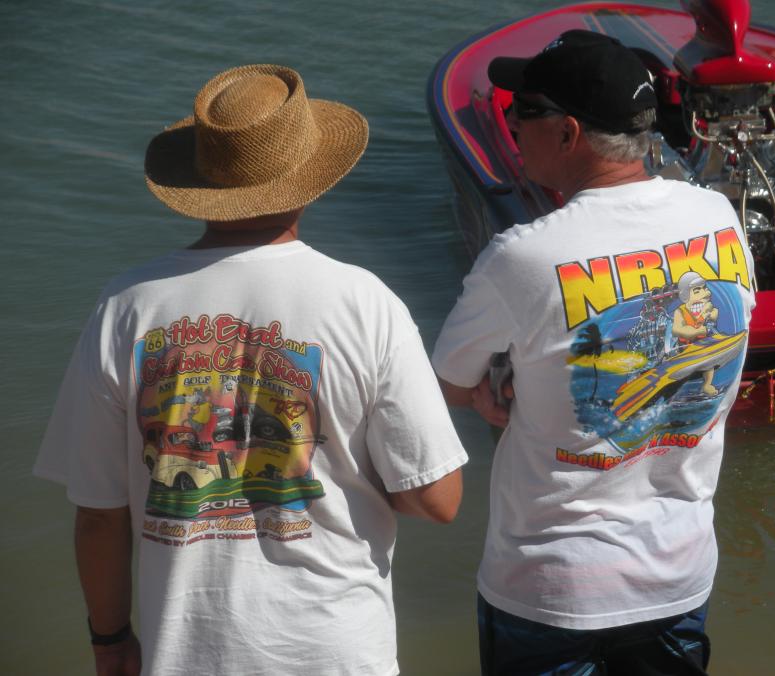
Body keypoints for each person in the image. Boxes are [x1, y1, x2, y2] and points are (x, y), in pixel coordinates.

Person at [35, 64, 467, 676]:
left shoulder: (126, 306)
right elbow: (436, 498)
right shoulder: (365, 302)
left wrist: (109, 642)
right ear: (309, 179)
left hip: (184, 655)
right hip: (336, 653)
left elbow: (99, 515)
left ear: (202, 184)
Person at [431, 31, 754, 675]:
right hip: (678, 577)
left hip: (549, 591)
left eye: (523, 111)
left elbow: (443, 385)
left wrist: (489, 392)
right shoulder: (718, 216)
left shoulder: (523, 255)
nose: (512, 125)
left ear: (567, 132)